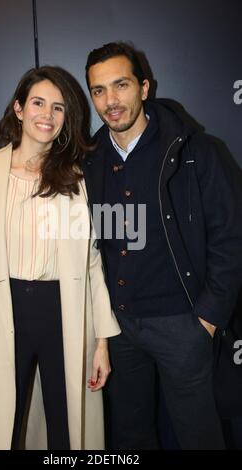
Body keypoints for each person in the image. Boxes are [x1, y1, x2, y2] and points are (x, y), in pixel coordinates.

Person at [0, 66, 120, 450]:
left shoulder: (74, 178)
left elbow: (91, 265)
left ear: (66, 119)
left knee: (67, 429)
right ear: (19, 109)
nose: (47, 115)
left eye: (58, 108)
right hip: (0, 312)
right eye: (38, 103)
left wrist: (102, 343)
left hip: (64, 313)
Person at [82, 42, 242, 449]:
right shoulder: (90, 161)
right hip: (120, 329)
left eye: (121, 85)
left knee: (199, 437)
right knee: (130, 438)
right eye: (99, 90)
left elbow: (231, 238)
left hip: (182, 324)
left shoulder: (197, 151)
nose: (110, 101)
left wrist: (206, 318)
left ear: (144, 87)